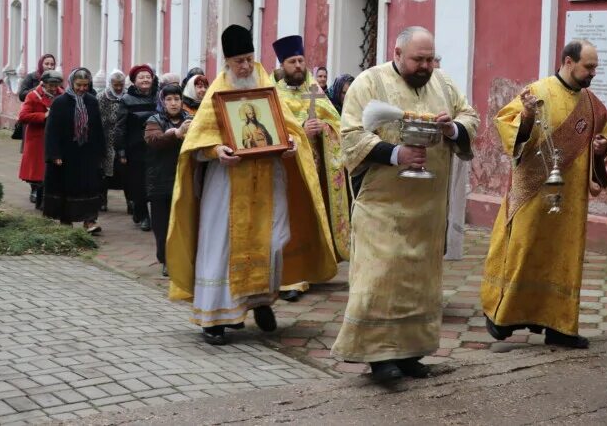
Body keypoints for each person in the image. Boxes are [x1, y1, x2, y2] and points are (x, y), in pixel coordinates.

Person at [167, 25, 337, 346]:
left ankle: (260, 304)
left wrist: (289, 142)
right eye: (237, 61)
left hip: (268, 180)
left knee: (272, 240)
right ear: (226, 61)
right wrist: (215, 150)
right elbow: (197, 141)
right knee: (222, 245)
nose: (244, 66)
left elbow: (289, 129)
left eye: (248, 59)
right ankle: (216, 317)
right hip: (227, 183)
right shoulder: (218, 89)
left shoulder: (264, 85)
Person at [331, 26, 479, 382]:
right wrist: (396, 153)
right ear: (397, 54)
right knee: (381, 279)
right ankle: (380, 358)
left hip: (428, 209)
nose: (426, 66)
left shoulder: (442, 84)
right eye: (419, 59)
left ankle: (412, 353)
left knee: (418, 283)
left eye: (430, 59)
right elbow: (350, 137)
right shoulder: (368, 83)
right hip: (383, 205)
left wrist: (452, 130)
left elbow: (470, 118)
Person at [481, 39, 607, 350]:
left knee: (564, 258)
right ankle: (502, 317)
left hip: (571, 201)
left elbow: (601, 144)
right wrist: (525, 118)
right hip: (533, 193)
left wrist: (600, 150)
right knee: (524, 252)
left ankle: (561, 326)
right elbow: (507, 126)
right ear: (568, 61)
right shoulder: (537, 92)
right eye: (588, 67)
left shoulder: (594, 106)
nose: (592, 73)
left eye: (594, 67)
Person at [272, 35, 353, 303]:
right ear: (282, 65)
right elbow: (269, 132)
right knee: (290, 219)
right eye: (292, 61)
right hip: (289, 171)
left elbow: (338, 123)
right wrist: (301, 131)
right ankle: (290, 277)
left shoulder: (316, 92)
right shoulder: (273, 94)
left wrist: (326, 130)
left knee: (312, 218)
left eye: (301, 60)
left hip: (317, 172)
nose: (298, 66)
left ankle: (312, 268)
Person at [43, 67, 106, 235]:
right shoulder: (60, 102)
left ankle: (90, 220)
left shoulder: (92, 101)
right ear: (72, 83)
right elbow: (52, 131)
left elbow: (98, 128)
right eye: (79, 85)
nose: (82, 88)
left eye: (86, 85)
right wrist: (54, 154)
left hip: (87, 152)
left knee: (90, 186)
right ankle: (66, 220)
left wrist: (101, 152)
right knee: (67, 187)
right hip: (66, 153)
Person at [144, 83, 192, 277]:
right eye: (169, 99)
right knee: (161, 224)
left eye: (177, 99)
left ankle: (182, 259)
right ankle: (165, 259)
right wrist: (176, 134)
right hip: (159, 178)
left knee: (182, 222)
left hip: (183, 177)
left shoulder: (190, 120)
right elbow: (153, 140)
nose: (174, 103)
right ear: (162, 101)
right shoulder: (154, 120)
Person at [116, 64, 159, 231]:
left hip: (156, 146)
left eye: (148, 76)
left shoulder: (159, 97)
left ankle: (153, 214)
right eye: (141, 77)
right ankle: (143, 215)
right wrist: (121, 150)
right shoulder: (126, 100)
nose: (145, 79)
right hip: (135, 148)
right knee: (138, 183)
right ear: (134, 81)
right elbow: (120, 127)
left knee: (155, 181)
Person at [18, 70, 62, 210]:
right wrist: (43, 115)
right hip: (38, 138)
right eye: (51, 85)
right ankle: (41, 201)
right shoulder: (33, 96)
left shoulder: (62, 95)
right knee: (40, 173)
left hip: (56, 137)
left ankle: (50, 200)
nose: (54, 88)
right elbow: (23, 116)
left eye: (56, 85)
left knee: (54, 170)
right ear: (43, 83)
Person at [98, 70, 127, 211]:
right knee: (105, 171)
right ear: (110, 84)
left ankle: (131, 202)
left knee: (126, 170)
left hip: (123, 137)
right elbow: (100, 119)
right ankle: (102, 201)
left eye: (121, 85)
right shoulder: (103, 96)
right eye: (115, 85)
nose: (118, 88)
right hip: (106, 137)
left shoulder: (128, 96)